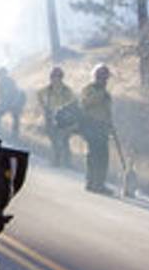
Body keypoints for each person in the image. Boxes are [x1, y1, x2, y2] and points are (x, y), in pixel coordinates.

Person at [81, 64, 113, 194]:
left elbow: (107, 111)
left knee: (103, 156)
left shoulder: (106, 94)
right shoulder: (89, 89)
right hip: (91, 125)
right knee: (93, 155)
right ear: (97, 77)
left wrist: (109, 125)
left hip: (102, 127)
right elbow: (85, 103)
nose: (105, 81)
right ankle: (92, 183)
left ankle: (99, 183)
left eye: (106, 78)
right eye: (103, 78)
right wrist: (100, 95)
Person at [36, 66, 76, 168]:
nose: (55, 79)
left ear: (61, 77)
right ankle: (57, 159)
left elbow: (74, 101)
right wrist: (44, 106)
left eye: (58, 76)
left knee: (64, 139)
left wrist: (67, 111)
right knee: (53, 138)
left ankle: (66, 162)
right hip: (50, 116)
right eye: (54, 76)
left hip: (63, 118)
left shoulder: (66, 90)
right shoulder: (48, 89)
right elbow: (39, 94)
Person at [0, 67, 25, 141]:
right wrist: (2, 103)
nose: (1, 77)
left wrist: (13, 103)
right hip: (6, 103)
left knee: (16, 118)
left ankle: (14, 136)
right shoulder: (0, 83)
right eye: (0, 75)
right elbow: (1, 95)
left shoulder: (10, 81)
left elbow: (14, 92)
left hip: (13, 103)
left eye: (2, 74)